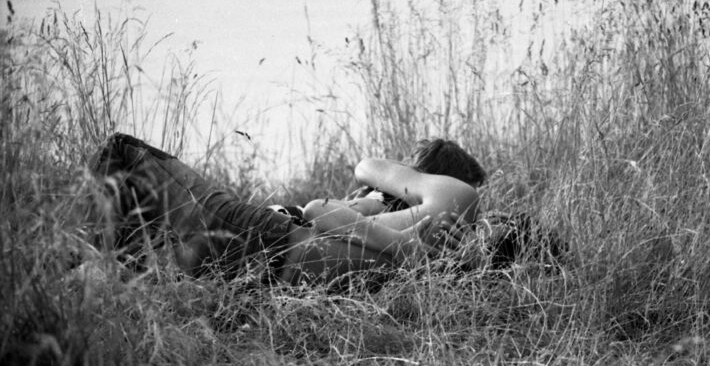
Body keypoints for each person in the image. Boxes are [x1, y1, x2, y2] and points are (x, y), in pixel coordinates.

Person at [89, 133, 485, 285]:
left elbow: (321, 208)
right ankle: (108, 269)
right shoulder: (424, 225)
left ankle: (96, 263)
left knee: (121, 150)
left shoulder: (453, 198)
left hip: (262, 238)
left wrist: (406, 246)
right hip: (258, 268)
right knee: (136, 237)